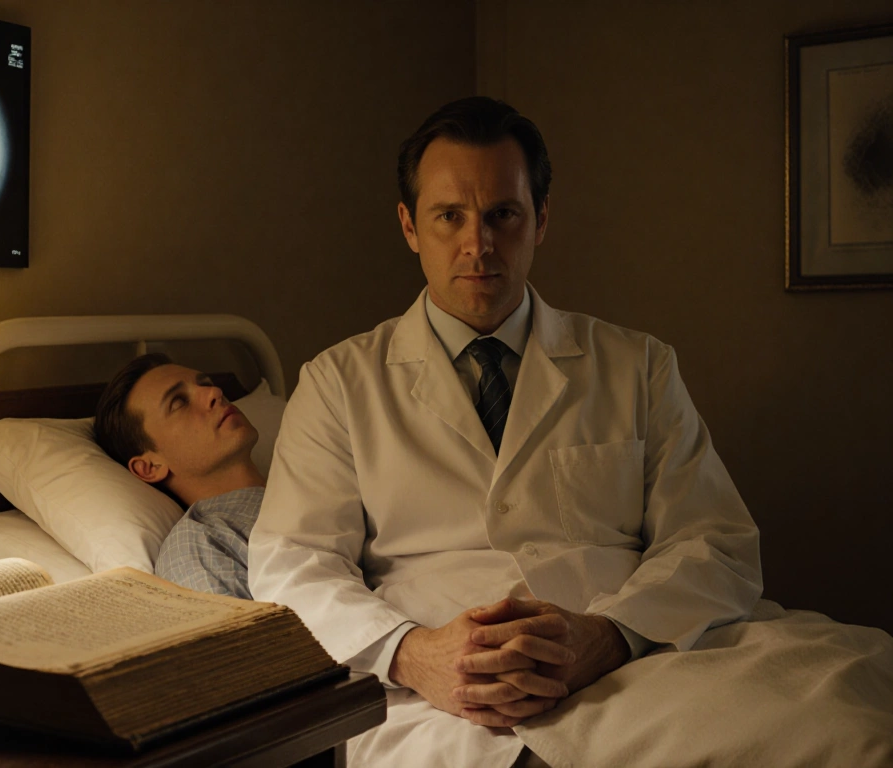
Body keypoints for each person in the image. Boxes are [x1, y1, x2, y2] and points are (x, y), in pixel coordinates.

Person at [247, 97, 766, 766]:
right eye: (449, 217)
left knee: (842, 723)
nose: (478, 245)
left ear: (540, 219)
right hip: (440, 699)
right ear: (409, 226)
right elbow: (292, 563)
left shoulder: (636, 366)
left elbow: (716, 543)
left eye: (503, 215)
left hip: (641, 665)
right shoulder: (338, 384)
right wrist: (411, 653)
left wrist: (609, 636)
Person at [94, 353, 266, 598]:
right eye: (179, 402)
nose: (215, 392)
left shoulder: (313, 482)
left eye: (206, 384)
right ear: (150, 467)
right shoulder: (199, 546)